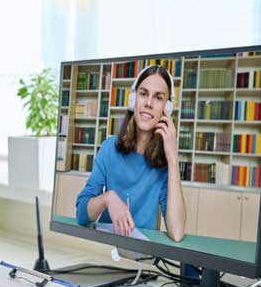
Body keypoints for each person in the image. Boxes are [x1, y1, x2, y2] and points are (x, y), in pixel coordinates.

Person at [75, 64, 186, 242]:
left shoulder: (165, 164)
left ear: (167, 108)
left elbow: (177, 232)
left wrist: (172, 159)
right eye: (143, 94)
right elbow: (81, 214)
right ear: (133, 100)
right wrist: (108, 199)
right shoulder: (109, 148)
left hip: (142, 259)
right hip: (107, 250)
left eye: (158, 98)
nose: (148, 103)